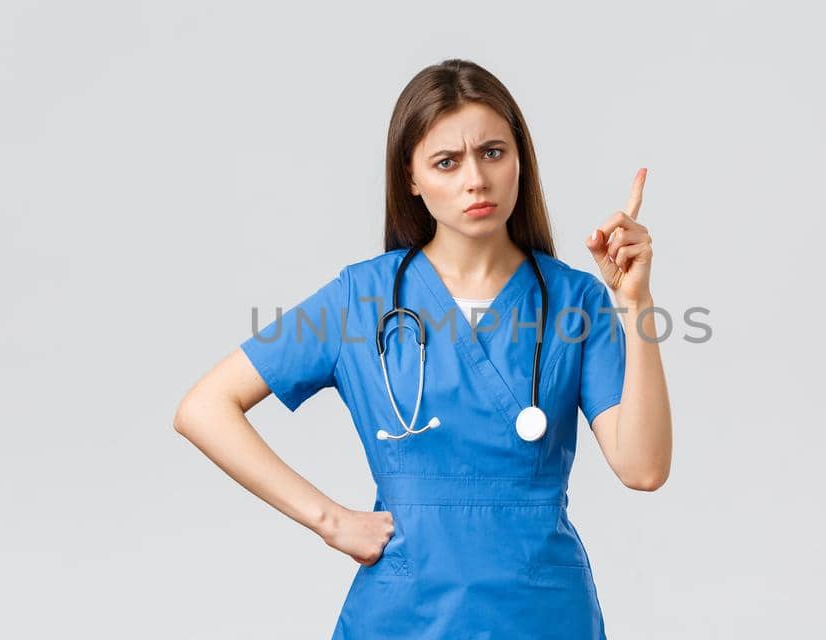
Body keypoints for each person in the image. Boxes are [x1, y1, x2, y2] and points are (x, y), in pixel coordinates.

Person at [173, 58, 673, 639]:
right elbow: (203, 408)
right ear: (410, 178)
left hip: (542, 614)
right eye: (446, 162)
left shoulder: (574, 300)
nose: (475, 181)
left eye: (493, 153)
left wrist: (635, 301)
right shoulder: (360, 299)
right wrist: (330, 521)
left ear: (520, 160)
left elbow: (643, 468)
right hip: (403, 614)